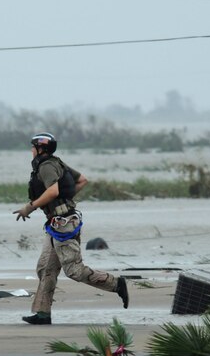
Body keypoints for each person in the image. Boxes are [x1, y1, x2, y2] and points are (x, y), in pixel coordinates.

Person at [13, 132, 129, 324]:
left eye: (33, 147)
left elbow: (53, 190)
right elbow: (82, 180)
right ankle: (43, 314)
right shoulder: (56, 163)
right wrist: (64, 202)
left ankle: (116, 284)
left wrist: (30, 207)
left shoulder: (47, 167)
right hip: (56, 223)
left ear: (40, 149)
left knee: (74, 270)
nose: (31, 151)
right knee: (46, 269)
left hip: (64, 225)